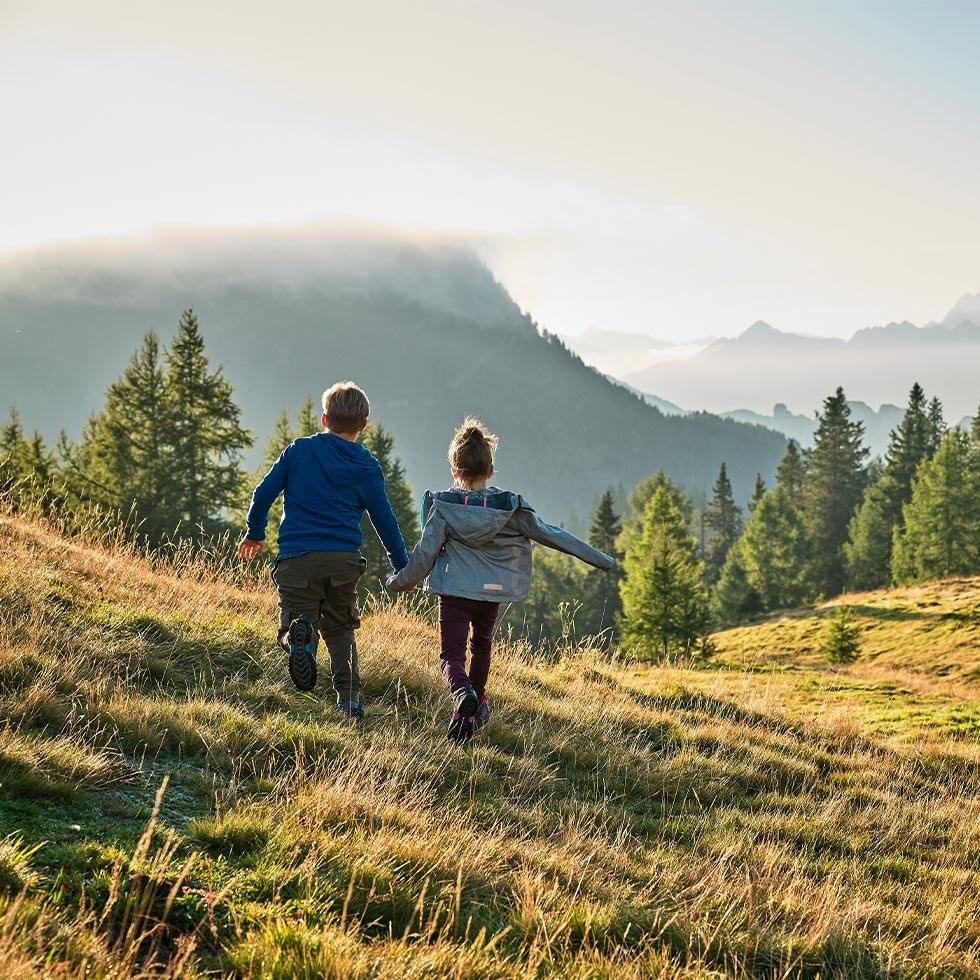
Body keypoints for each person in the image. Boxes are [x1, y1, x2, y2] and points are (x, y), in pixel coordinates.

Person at [386, 417, 615, 743]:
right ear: (490, 470)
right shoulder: (508, 508)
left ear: (455, 470)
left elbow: (424, 555)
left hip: (455, 592)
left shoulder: (444, 508)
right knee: (481, 645)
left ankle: (462, 692)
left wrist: (399, 581)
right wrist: (602, 560)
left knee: (451, 655)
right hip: (491, 592)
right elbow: (552, 534)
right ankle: (474, 704)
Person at [238, 381, 408, 720]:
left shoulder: (299, 451)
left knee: (296, 622)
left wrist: (255, 533)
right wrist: (402, 566)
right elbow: (384, 521)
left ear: (324, 420)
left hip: (296, 558)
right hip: (342, 561)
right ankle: (348, 701)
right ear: (363, 425)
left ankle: (299, 644)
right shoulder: (367, 467)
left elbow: (262, 493)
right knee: (341, 628)